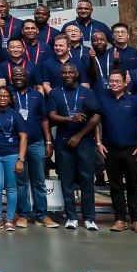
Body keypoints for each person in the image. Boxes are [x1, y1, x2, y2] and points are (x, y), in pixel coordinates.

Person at [48, 63, 102, 230]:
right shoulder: (55, 92)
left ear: (77, 74)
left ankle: (89, 218)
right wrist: (70, 119)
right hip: (63, 142)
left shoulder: (87, 92)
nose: (67, 75)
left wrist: (79, 135)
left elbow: (96, 117)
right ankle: (71, 216)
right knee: (67, 180)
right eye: (64, 72)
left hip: (84, 141)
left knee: (87, 180)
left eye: (70, 72)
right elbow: (51, 115)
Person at [96, 69, 137, 233]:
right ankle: (120, 219)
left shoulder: (135, 100)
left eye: (118, 81)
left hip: (131, 149)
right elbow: (96, 121)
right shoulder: (103, 99)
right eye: (111, 81)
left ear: (126, 82)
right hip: (110, 150)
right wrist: (98, 143)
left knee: (133, 185)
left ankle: (136, 220)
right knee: (115, 186)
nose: (114, 83)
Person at [9, 66, 55, 228]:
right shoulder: (8, 95)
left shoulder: (37, 95)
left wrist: (48, 141)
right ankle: (23, 215)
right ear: (11, 78)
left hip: (36, 143)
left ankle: (42, 215)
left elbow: (44, 119)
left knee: (39, 181)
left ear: (27, 77)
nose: (18, 77)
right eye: (15, 75)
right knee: (20, 183)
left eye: (21, 75)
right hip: (15, 145)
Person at [0, 86, 26, 231]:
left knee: (11, 188)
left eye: (5, 96)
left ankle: (9, 220)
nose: (2, 98)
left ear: (10, 99)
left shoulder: (16, 115)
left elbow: (23, 137)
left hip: (12, 155)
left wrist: (20, 159)